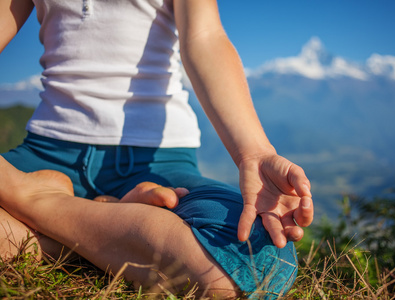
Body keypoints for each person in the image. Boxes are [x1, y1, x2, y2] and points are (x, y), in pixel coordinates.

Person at [0, 0, 314, 298]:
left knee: (256, 262)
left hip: (157, 164)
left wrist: (254, 152)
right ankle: (106, 230)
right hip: (45, 154)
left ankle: (36, 202)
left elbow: (204, 37)